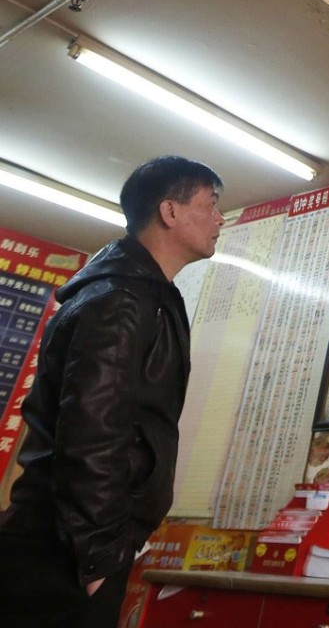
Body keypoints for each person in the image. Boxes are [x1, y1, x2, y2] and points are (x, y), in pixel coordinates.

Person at [0, 156, 225, 628]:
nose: (220, 218)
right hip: (66, 550)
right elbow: (91, 433)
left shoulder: (144, 294)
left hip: (78, 543)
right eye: (211, 204)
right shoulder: (120, 301)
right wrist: (99, 555)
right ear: (170, 211)